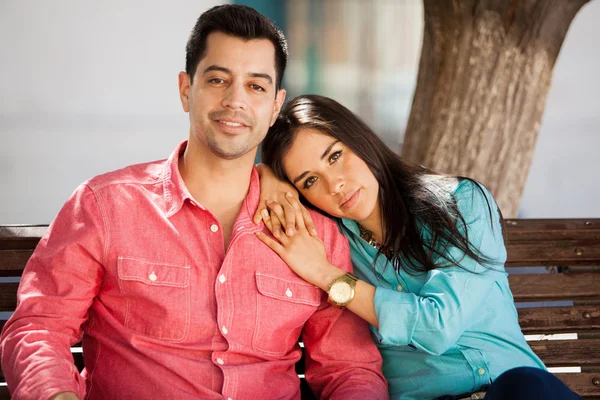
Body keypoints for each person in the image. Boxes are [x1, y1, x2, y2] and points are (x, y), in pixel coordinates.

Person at [0, 8, 388, 400]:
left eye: (256, 87)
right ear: (187, 90)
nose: (235, 100)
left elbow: (350, 370)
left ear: (275, 106)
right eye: (218, 80)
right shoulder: (106, 207)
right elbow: (39, 327)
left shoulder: (315, 235)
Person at [254, 94, 583, 400]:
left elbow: (437, 326)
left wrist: (331, 279)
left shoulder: (460, 204)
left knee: (524, 385)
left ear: (360, 139)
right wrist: (265, 176)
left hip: (514, 391)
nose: (334, 184)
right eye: (310, 181)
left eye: (336, 156)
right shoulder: (331, 243)